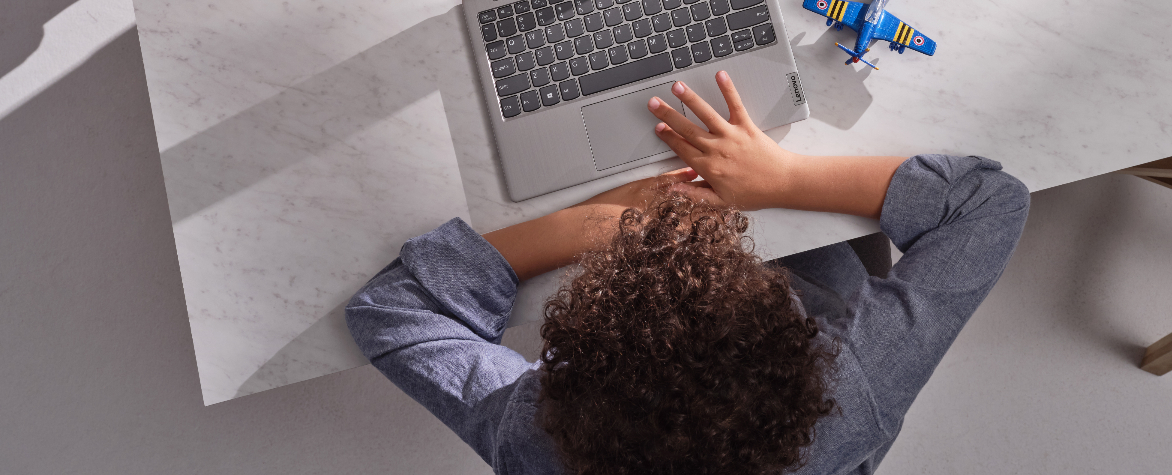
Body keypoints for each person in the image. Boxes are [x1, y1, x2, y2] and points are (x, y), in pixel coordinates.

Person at [347, 70, 1029, 475]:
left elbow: (393, 310)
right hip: (818, 281)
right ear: (808, 355)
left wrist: (599, 221)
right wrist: (784, 179)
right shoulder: (852, 391)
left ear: (561, 381)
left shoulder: (537, 439)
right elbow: (986, 201)